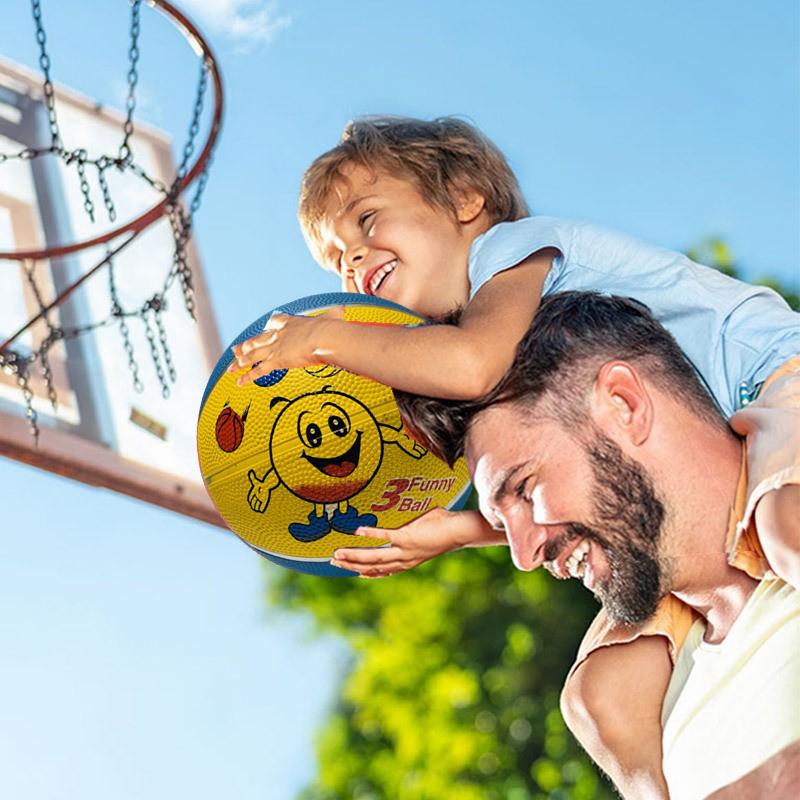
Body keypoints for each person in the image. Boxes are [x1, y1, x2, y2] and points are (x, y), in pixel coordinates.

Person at [229, 115, 799, 586]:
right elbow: (567, 485)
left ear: (464, 198)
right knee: (605, 691)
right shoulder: (490, 345)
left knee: (786, 521)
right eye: (337, 260)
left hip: (776, 372)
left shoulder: (510, 250)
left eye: (368, 221)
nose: (353, 258)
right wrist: (463, 530)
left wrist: (321, 338)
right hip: (713, 452)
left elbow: (470, 365)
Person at [332, 292, 800, 799]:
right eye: (499, 521)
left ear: (624, 403)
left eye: (525, 489)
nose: (523, 554)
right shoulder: (654, 711)